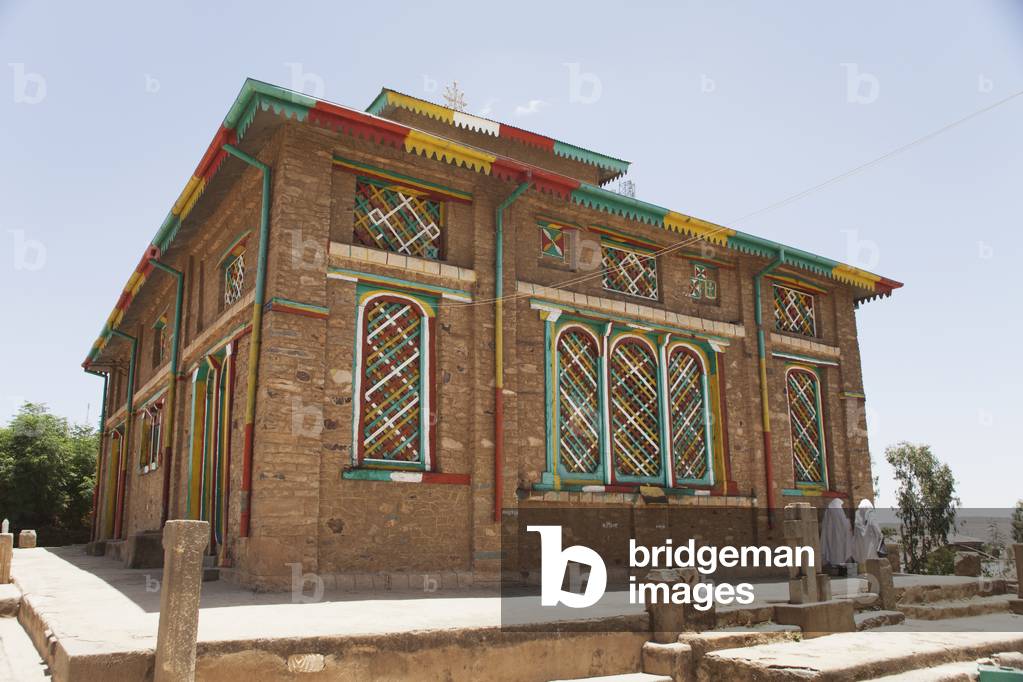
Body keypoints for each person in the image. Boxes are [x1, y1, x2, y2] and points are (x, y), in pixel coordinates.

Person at [820, 498, 852, 567]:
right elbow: (844, 524)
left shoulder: (828, 511)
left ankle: (834, 564)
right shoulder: (838, 511)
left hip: (831, 536)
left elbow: (825, 525)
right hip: (840, 536)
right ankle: (840, 565)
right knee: (839, 550)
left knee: (833, 549)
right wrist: (848, 521)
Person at [852, 499, 883, 564]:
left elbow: (856, 531)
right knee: (871, 563)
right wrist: (880, 535)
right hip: (871, 544)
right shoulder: (870, 513)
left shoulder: (857, 514)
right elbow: (875, 527)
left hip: (860, 546)